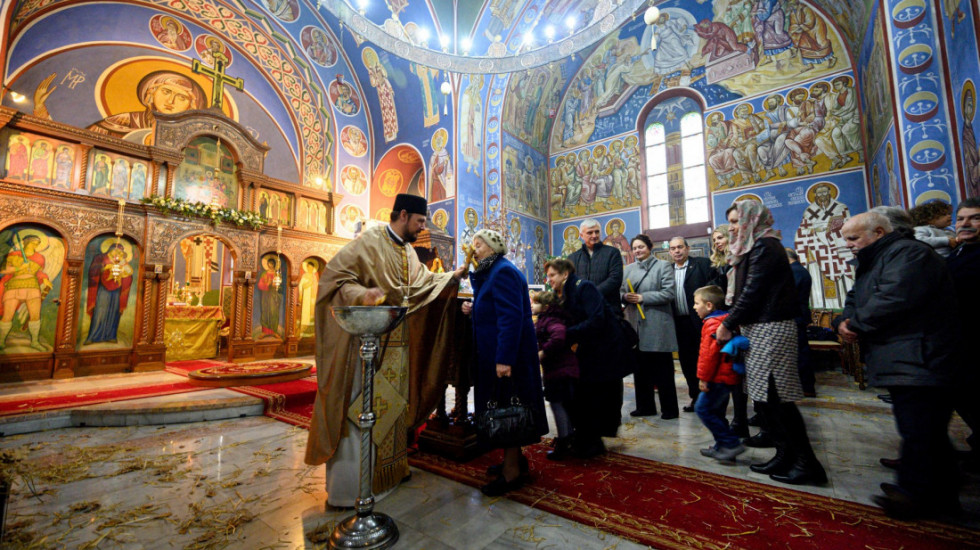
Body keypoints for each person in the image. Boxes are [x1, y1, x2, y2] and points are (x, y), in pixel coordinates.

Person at [305, 193, 467, 508]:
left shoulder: (407, 252)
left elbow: (422, 285)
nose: (421, 229)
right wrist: (362, 294)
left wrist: (451, 277)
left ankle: (389, 474)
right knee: (358, 412)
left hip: (397, 347)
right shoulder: (369, 242)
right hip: (362, 348)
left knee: (390, 409)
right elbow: (334, 282)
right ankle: (349, 488)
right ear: (403, 215)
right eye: (419, 222)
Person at [836, 212, 960, 519]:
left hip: (922, 355)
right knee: (921, 428)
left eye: (854, 238)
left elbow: (894, 297)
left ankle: (919, 496)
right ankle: (930, 492)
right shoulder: (877, 258)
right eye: (846, 240)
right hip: (906, 356)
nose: (849, 245)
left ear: (879, 231)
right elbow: (855, 296)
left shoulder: (911, 253)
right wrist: (843, 319)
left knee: (921, 429)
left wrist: (857, 324)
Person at [717, 200, 826, 486]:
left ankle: (807, 463)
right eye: (729, 222)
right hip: (759, 326)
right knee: (765, 398)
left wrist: (728, 323)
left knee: (777, 397)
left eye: (735, 221)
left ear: (752, 219)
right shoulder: (755, 246)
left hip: (772, 326)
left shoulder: (766, 245)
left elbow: (754, 290)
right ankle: (785, 453)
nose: (732, 228)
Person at [462, 229, 548, 496]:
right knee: (506, 410)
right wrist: (473, 308)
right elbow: (494, 308)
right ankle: (514, 461)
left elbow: (510, 318)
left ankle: (512, 474)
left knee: (509, 411)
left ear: (493, 247)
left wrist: (504, 359)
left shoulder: (503, 272)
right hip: (497, 353)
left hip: (506, 357)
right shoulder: (494, 271)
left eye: (479, 245)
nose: (474, 249)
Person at [545, 258, 627, 459]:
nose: (549, 280)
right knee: (584, 393)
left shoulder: (585, 287)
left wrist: (567, 333)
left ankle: (592, 442)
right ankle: (583, 437)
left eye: (552, 275)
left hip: (605, 350)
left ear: (565, 274)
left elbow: (597, 320)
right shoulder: (567, 291)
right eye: (547, 276)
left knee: (595, 394)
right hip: (590, 347)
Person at [621, 234, 679, 419]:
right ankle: (645, 407)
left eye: (641, 247)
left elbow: (669, 293)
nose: (638, 250)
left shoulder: (663, 266)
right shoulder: (628, 269)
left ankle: (669, 409)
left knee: (663, 370)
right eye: (635, 248)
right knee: (640, 370)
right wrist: (625, 297)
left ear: (650, 246)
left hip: (657, 324)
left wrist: (643, 297)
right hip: (636, 325)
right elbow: (621, 291)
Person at [693, 285, 745, 463]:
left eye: (696, 303)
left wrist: (703, 378)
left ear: (709, 306)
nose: (694, 307)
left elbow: (709, 356)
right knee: (715, 411)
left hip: (718, 377)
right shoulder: (723, 320)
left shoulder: (712, 325)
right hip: (725, 375)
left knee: (703, 409)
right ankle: (721, 446)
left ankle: (730, 444)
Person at [668, 237, 718, 412]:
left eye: (680, 247)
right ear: (669, 252)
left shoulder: (702, 264)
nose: (677, 251)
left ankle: (712, 399)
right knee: (687, 362)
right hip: (679, 323)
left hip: (701, 322)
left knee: (706, 360)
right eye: (673, 248)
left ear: (687, 249)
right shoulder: (667, 270)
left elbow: (714, 290)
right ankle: (695, 398)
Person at [948, 198, 980, 467]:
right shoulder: (958, 252)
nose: (965, 224)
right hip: (958, 338)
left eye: (974, 218)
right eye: (960, 219)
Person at [711, 225, 750, 438]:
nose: (717, 242)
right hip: (723, 320)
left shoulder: (739, 261)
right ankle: (735, 419)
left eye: (720, 238)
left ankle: (741, 419)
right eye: (714, 239)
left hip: (735, 322)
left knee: (738, 373)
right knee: (728, 372)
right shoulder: (718, 265)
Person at [531, 291, 579, 460]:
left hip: (560, 370)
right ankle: (567, 438)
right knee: (559, 405)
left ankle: (564, 442)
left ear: (545, 307)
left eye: (535, 303)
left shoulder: (551, 320)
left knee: (558, 405)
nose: (532, 305)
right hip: (558, 370)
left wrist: (544, 352)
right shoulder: (546, 319)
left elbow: (558, 336)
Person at [567, 219, 623, 311]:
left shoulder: (612, 252)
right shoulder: (572, 258)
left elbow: (615, 279)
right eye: (590, 232)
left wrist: (591, 293)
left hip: (607, 308)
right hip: (582, 309)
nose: (594, 235)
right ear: (581, 235)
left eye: (597, 232)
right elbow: (570, 281)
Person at [83, 241, 134, 345]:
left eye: (120, 251)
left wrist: (123, 268)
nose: (118, 253)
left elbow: (129, 273)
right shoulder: (101, 258)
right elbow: (94, 271)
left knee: (114, 311)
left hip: (116, 291)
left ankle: (111, 335)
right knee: (100, 311)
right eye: (116, 250)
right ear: (111, 249)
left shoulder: (121, 260)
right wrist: (105, 268)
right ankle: (93, 336)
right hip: (103, 290)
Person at [786, 248, 815, 397]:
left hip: (796, 316)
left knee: (800, 353)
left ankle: (806, 386)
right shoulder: (799, 269)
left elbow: (789, 294)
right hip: (798, 314)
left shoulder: (794, 271)